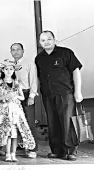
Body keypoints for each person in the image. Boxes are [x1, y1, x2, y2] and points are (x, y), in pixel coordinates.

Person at [35, 30, 83, 161]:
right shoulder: (39, 58)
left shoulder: (66, 53)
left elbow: (76, 71)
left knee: (67, 121)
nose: (46, 42)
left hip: (65, 93)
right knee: (52, 122)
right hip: (48, 95)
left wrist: (77, 91)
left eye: (49, 39)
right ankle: (56, 150)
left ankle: (70, 151)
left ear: (54, 39)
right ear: (40, 42)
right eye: (43, 40)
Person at [0, 59, 35, 162]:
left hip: (15, 110)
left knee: (15, 133)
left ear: (14, 71)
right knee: (7, 132)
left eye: (11, 69)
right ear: (3, 71)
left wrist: (16, 96)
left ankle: (13, 154)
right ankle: (7, 154)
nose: (9, 71)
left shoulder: (16, 83)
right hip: (4, 110)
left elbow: (22, 97)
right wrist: (6, 96)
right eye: (6, 69)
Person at [10, 43, 39, 158]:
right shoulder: (10, 65)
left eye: (18, 49)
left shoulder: (29, 63)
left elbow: (33, 80)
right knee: (15, 122)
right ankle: (21, 145)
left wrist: (32, 96)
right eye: (13, 50)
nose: (16, 52)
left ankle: (32, 148)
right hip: (14, 96)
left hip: (26, 94)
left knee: (29, 122)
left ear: (23, 50)